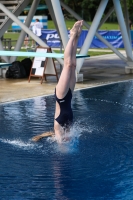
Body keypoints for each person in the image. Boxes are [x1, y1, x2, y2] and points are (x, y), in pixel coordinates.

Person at [32, 20, 83, 143]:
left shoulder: (58, 128)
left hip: (61, 96)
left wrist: (62, 143)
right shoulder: (69, 128)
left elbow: (62, 146)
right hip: (69, 94)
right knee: (73, 65)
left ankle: (72, 36)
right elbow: (73, 138)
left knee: (67, 65)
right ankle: (76, 38)